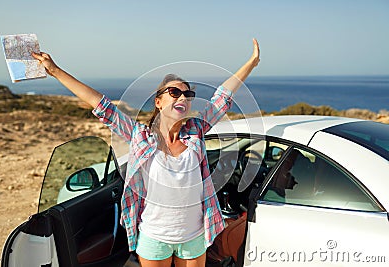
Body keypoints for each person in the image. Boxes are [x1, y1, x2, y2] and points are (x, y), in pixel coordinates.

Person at [32, 38, 260, 267]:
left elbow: (222, 97)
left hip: (194, 236)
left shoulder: (196, 133)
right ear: (158, 102)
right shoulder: (140, 136)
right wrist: (55, 71)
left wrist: (251, 63)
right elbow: (101, 105)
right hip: (155, 237)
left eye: (188, 95)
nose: (183, 97)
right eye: (174, 92)